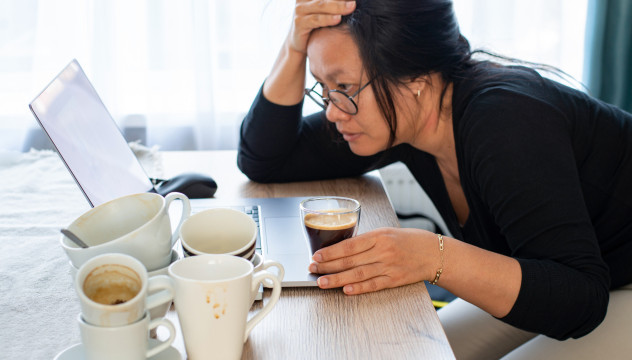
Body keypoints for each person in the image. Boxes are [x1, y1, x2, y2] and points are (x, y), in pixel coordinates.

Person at [236, 0, 632, 358]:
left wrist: (432, 256)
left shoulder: (505, 123)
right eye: (324, 88)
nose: (332, 112)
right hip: (558, 279)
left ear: (415, 79)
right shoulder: (403, 120)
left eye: (344, 87)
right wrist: (293, 45)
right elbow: (266, 160)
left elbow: (581, 300)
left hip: (607, 287)